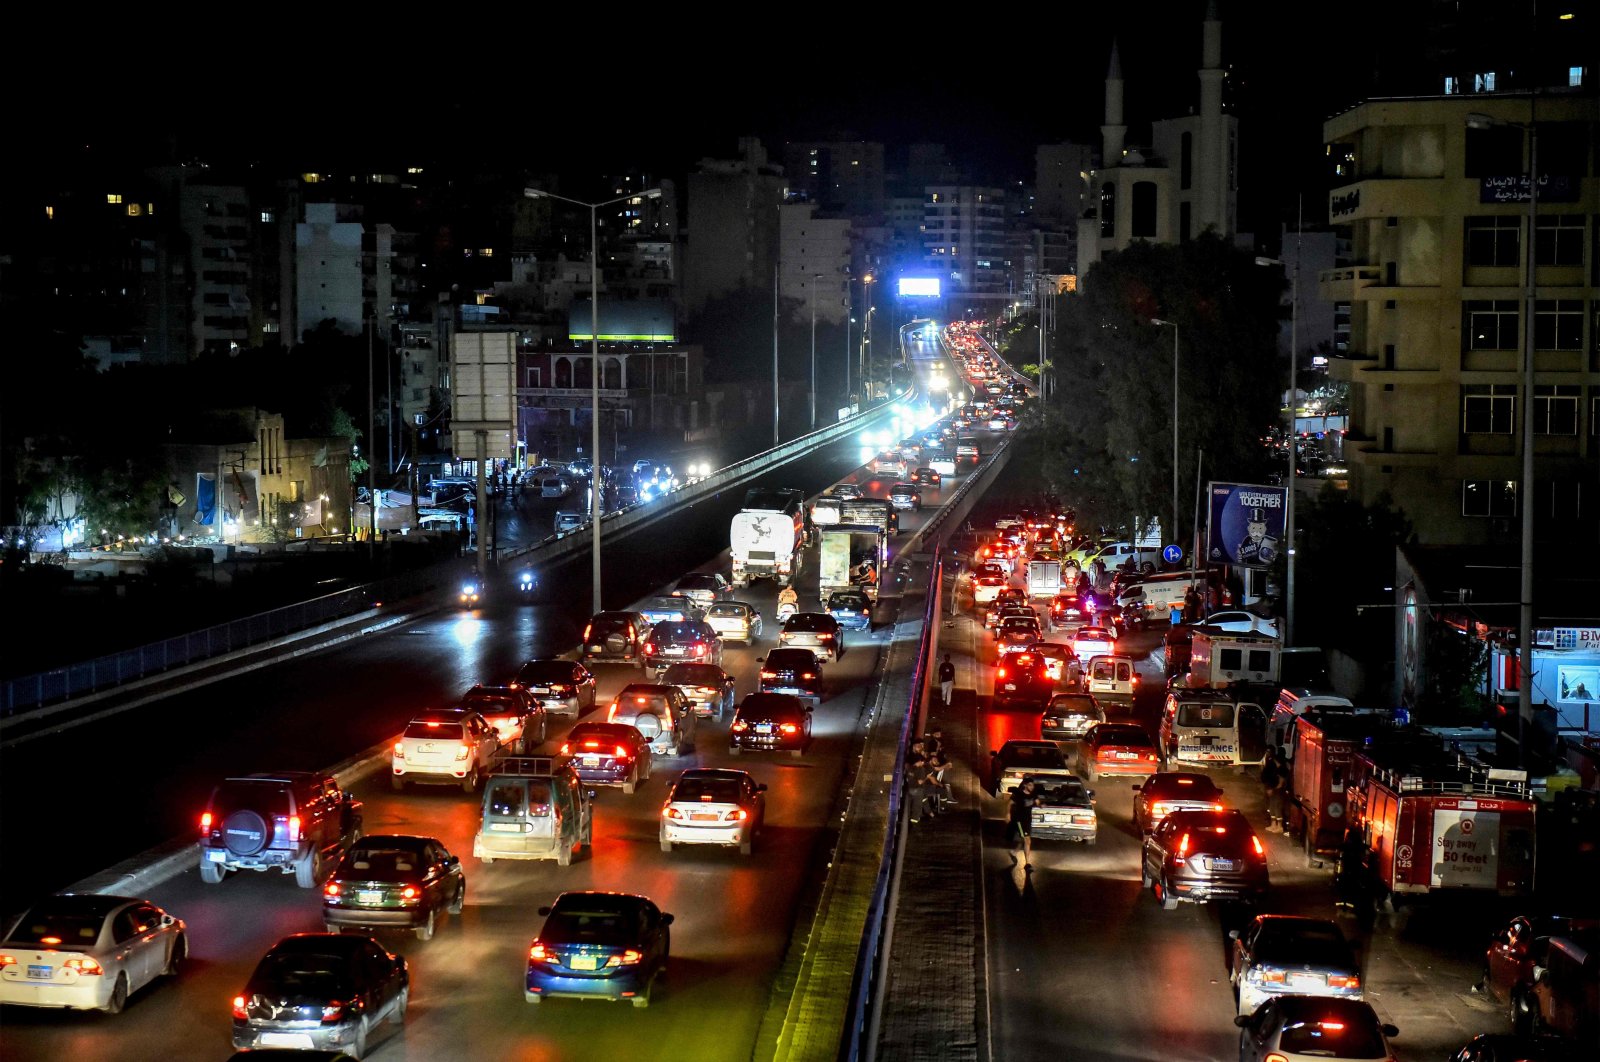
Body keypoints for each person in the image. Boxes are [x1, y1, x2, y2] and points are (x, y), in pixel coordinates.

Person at [1007, 777, 1040, 870]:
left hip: (1028, 820)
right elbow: (1009, 803)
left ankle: (1014, 852)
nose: (1032, 787)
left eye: (1033, 785)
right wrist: (1008, 814)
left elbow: (1038, 802)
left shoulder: (1033, 794)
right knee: (1027, 840)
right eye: (1030, 785)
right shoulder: (1018, 794)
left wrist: (1041, 805)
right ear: (1025, 785)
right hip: (1019, 820)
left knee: (1024, 839)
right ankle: (1027, 863)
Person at [1335, 829, 1369, 910]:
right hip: (1355, 870)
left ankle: (1344, 904)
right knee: (1353, 887)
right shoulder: (1360, 846)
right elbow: (1365, 850)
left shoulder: (1346, 845)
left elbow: (1339, 849)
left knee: (1344, 886)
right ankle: (1350, 904)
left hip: (1348, 870)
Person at [1260, 749, 1287, 833]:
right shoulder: (1277, 769)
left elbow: (1281, 782)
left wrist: (1273, 789)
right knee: (1272, 807)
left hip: (1279, 791)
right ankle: (1273, 825)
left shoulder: (1282, 769)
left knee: (1277, 808)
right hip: (1275, 790)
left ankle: (1279, 826)